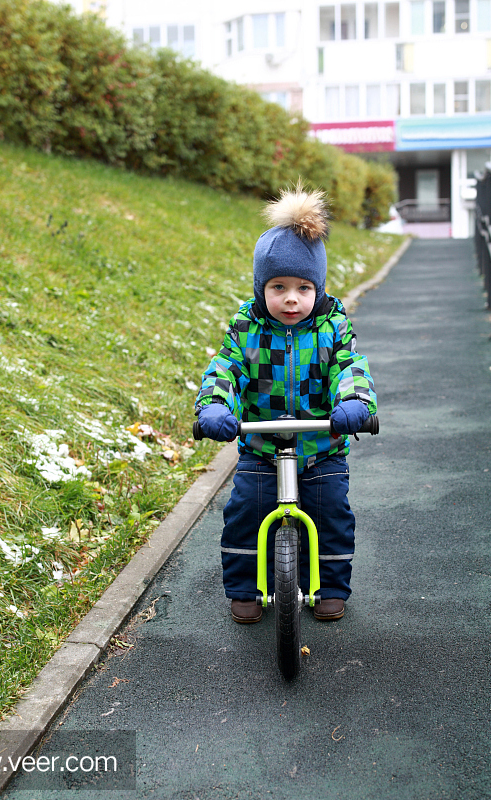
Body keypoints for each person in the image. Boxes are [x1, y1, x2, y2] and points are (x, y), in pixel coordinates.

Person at [194, 186, 377, 624]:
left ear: (319, 288)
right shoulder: (248, 327)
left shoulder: (332, 327)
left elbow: (350, 366)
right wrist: (216, 407)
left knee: (332, 514)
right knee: (244, 513)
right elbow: (226, 368)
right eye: (278, 287)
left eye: (302, 287)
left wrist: (354, 400)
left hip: (320, 448)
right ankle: (244, 588)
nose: (291, 298)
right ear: (261, 288)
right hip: (262, 448)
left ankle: (330, 586)